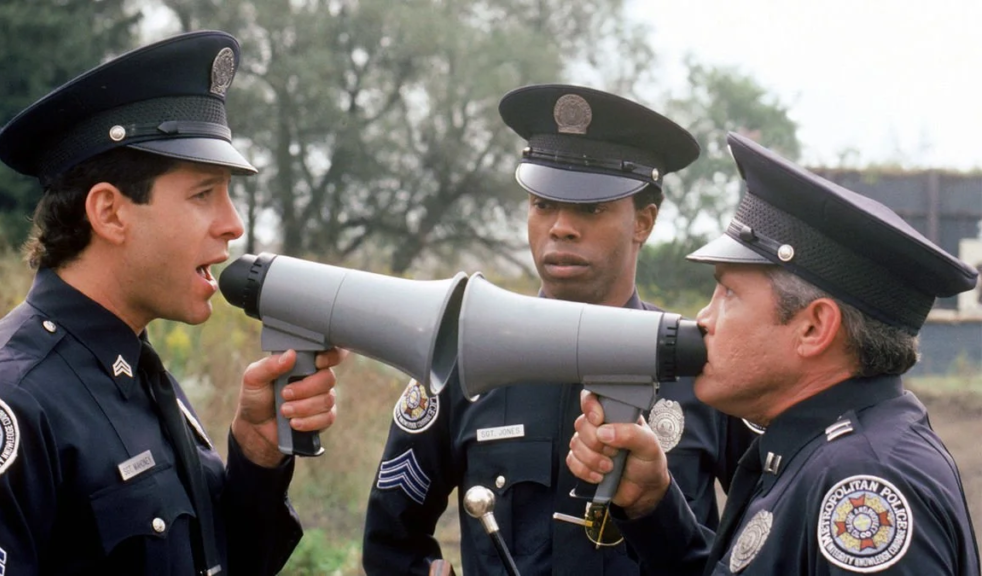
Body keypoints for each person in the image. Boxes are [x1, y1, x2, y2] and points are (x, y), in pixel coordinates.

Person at [0, 31, 342, 575]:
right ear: (110, 213)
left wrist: (257, 450)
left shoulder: (133, 370)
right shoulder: (5, 406)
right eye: (203, 194)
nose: (233, 224)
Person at [363, 84, 756, 575]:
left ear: (644, 222)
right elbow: (390, 541)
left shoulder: (703, 367)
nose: (560, 227)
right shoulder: (463, 359)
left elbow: (769, 541)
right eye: (542, 204)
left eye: (591, 209)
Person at [567, 132, 982, 575]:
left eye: (729, 292)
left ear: (813, 328)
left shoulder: (861, 489)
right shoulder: (820, 451)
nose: (704, 318)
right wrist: (653, 505)